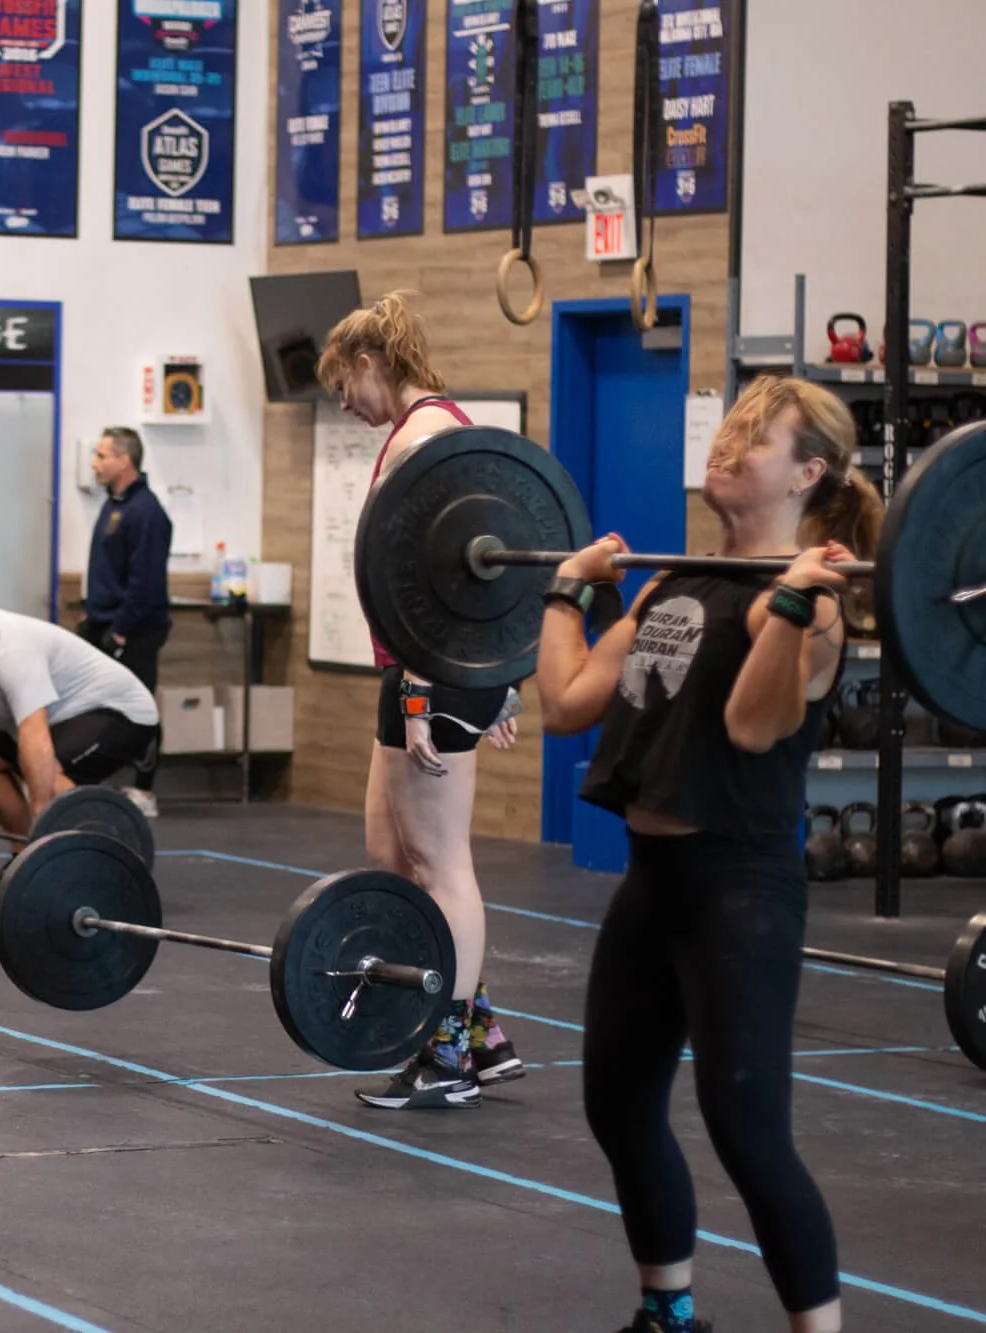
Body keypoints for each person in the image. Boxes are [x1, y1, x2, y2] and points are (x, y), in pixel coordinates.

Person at [537, 377, 876, 1333]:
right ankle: (668, 1310)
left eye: (753, 439)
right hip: (653, 887)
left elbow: (753, 724)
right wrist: (568, 590)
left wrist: (800, 608)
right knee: (618, 1107)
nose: (726, 449)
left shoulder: (807, 606)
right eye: (725, 431)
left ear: (809, 472)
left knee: (749, 1133)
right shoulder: (673, 580)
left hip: (741, 889)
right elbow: (565, 701)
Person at [317, 291, 523, 1111]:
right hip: (418, 673)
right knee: (393, 863)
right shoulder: (418, 435)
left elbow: (433, 580)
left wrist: (433, 689)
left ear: (372, 362)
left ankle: (449, 1052)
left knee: (441, 868)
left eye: (343, 383)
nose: (341, 402)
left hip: (428, 676)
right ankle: (485, 1035)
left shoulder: (427, 437)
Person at [0, 580, 159, 886]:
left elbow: (34, 732)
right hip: (60, 717)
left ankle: (97, 862)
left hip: (121, 712)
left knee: (46, 774)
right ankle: (25, 858)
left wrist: (42, 810)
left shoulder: (10, 648)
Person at [77, 427, 172, 818]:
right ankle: (88, 783)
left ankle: (144, 790)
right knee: (92, 708)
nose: (94, 464)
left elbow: (144, 581)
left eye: (101, 456)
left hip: (135, 628)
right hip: (100, 621)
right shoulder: (112, 505)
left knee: (140, 707)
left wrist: (121, 628)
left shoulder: (147, 512)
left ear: (124, 461)